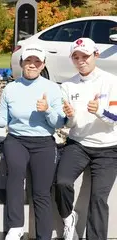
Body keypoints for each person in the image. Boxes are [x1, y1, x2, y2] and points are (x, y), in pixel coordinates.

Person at [0, 44, 66, 240]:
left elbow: (59, 122)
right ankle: (16, 227)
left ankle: (44, 235)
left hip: (43, 142)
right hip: (16, 140)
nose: (32, 65)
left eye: (37, 61)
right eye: (28, 61)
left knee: (41, 192)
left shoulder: (52, 88)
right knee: (15, 179)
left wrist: (47, 110)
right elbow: (2, 119)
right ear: (22, 63)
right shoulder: (11, 88)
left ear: (43, 65)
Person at [55, 38, 117, 240]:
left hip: (109, 148)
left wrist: (99, 111)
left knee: (98, 198)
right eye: (76, 57)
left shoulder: (111, 81)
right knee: (62, 182)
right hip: (78, 144)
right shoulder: (67, 85)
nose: (81, 61)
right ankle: (68, 217)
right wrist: (70, 116)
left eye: (85, 56)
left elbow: (114, 120)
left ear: (96, 55)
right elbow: (69, 124)